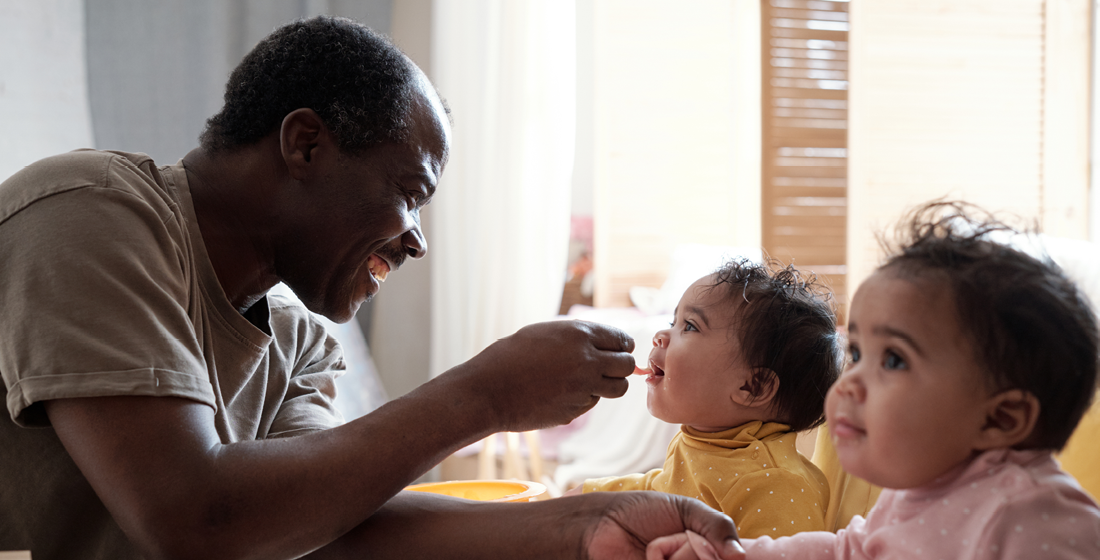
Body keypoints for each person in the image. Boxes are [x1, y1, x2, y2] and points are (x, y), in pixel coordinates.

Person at [0, 16, 744, 560]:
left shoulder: (296, 340)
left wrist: (588, 524)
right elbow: (195, 517)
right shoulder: (88, 212)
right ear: (305, 144)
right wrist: (484, 396)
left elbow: (333, 529)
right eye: (408, 191)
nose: (418, 238)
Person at [649, 201, 1100, 559]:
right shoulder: (918, 489)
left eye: (895, 361)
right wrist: (740, 554)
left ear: (1001, 417)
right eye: (859, 354)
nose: (848, 383)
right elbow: (851, 551)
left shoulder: (1034, 518)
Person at [566, 259, 842, 539]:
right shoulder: (705, 439)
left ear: (752, 387)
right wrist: (592, 495)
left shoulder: (776, 485)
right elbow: (659, 489)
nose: (661, 336)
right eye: (673, 322)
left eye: (690, 327)